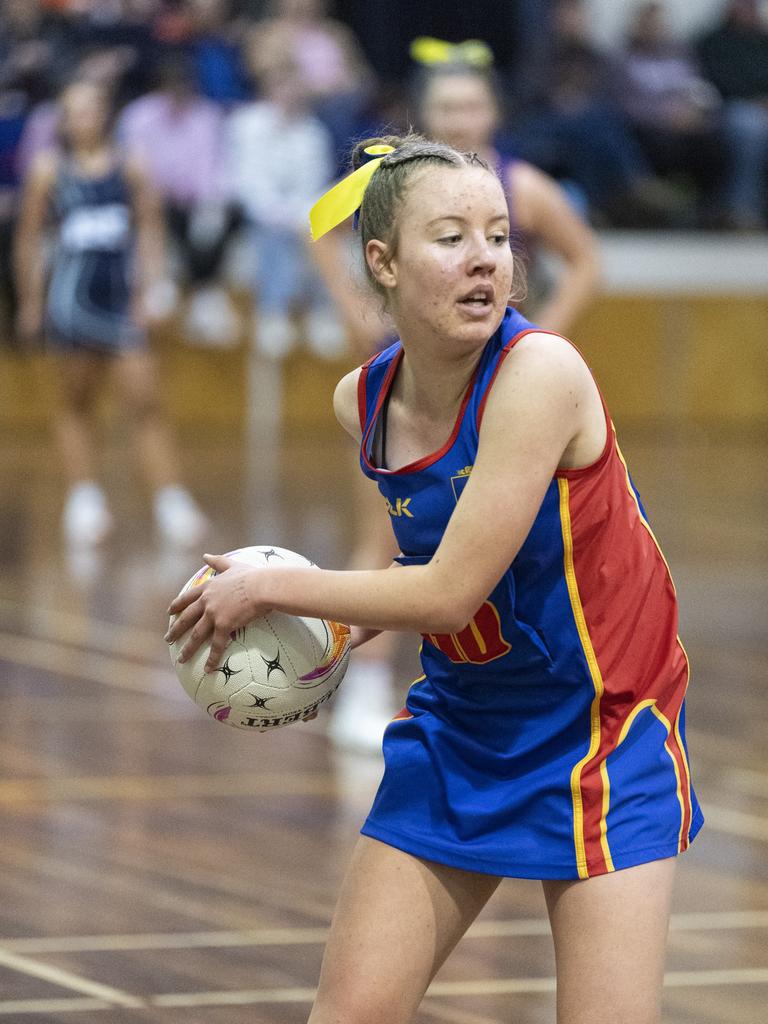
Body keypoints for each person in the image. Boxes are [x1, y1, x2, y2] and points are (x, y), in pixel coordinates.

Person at [166, 133, 704, 1023]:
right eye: (451, 237)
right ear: (382, 261)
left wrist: (269, 589)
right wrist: (334, 632)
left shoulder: (540, 375)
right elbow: (431, 563)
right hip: (466, 727)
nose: (486, 258)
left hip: (604, 733)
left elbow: (449, 594)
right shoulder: (364, 401)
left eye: (498, 236)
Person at [317, 45, 604, 752]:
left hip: (588, 713)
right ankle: (362, 680)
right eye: (447, 109)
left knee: (490, 561)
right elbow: (320, 226)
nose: (462, 118)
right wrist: (352, 310)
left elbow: (589, 260)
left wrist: (544, 338)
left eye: (473, 106)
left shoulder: (523, 186)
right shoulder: (366, 389)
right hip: (426, 380)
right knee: (388, 541)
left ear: (494, 114)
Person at [15, 79, 209, 547]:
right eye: (72, 111)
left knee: (145, 400)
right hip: (70, 302)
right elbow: (28, 238)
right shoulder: (49, 170)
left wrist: (152, 288)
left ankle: (170, 500)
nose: (81, 119)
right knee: (75, 401)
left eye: (89, 109)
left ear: (105, 114)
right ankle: (83, 499)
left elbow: (150, 228)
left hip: (122, 302)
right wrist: (30, 301)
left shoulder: (130, 165)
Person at [696, 0, 768, 230]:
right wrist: (754, 99)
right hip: (729, 108)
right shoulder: (713, 42)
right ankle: (742, 209)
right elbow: (715, 82)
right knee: (749, 128)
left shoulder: (763, 41)